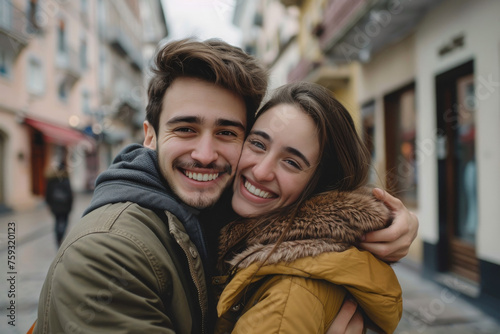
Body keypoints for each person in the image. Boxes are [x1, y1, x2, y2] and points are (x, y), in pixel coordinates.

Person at [32, 39, 416, 334]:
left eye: (228, 133)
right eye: (185, 128)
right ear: (149, 137)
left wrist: (380, 222)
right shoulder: (108, 255)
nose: (204, 154)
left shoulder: (222, 218)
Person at [215, 82, 402, 333]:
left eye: (291, 162)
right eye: (258, 144)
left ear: (321, 186)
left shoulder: (289, 294)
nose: (260, 171)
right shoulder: (236, 227)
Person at [44, 162, 73, 247]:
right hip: (65, 207)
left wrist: (48, 204)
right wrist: (70, 206)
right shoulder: (66, 179)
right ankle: (61, 236)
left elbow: (48, 193)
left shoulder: (52, 180)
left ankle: (58, 239)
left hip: (55, 206)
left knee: (57, 222)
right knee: (64, 222)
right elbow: (70, 194)